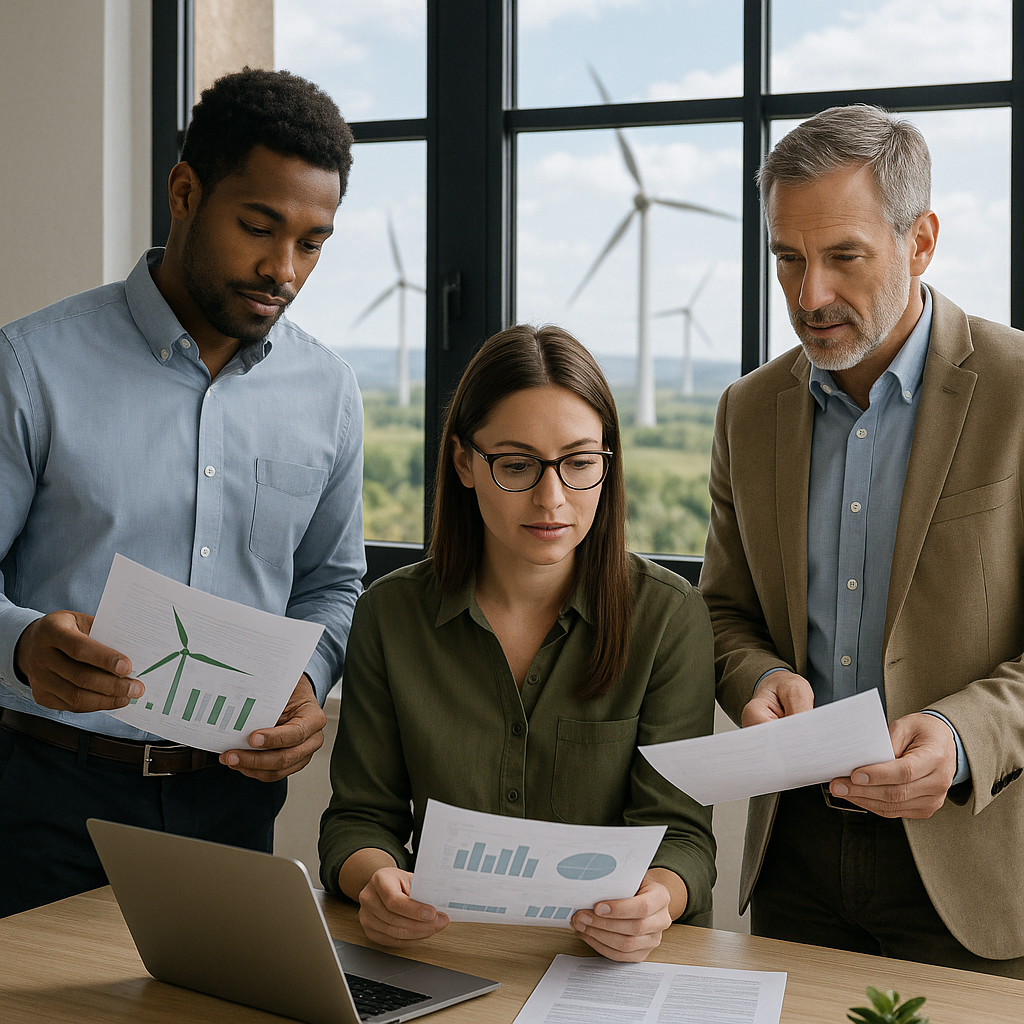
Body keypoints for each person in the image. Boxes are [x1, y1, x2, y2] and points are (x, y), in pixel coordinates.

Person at [0, 68, 365, 917]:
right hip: (46, 800)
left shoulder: (330, 392)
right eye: (259, 228)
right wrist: (21, 645)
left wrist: (309, 680)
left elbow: (332, 583)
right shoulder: (29, 368)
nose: (283, 269)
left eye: (312, 243)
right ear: (184, 190)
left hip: (233, 806)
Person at [700, 103, 1024, 976]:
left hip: (975, 866)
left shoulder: (1020, 390)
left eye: (844, 257)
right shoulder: (746, 411)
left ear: (920, 241)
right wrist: (757, 676)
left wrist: (959, 740)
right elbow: (723, 612)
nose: (810, 296)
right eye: (787, 259)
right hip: (795, 864)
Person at [318, 324, 716, 963]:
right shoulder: (390, 616)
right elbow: (359, 821)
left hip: (607, 973)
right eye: (517, 465)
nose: (552, 498)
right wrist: (377, 884)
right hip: (443, 955)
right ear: (464, 463)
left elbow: (683, 839)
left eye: (580, 463)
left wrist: (654, 901)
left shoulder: (669, 618)